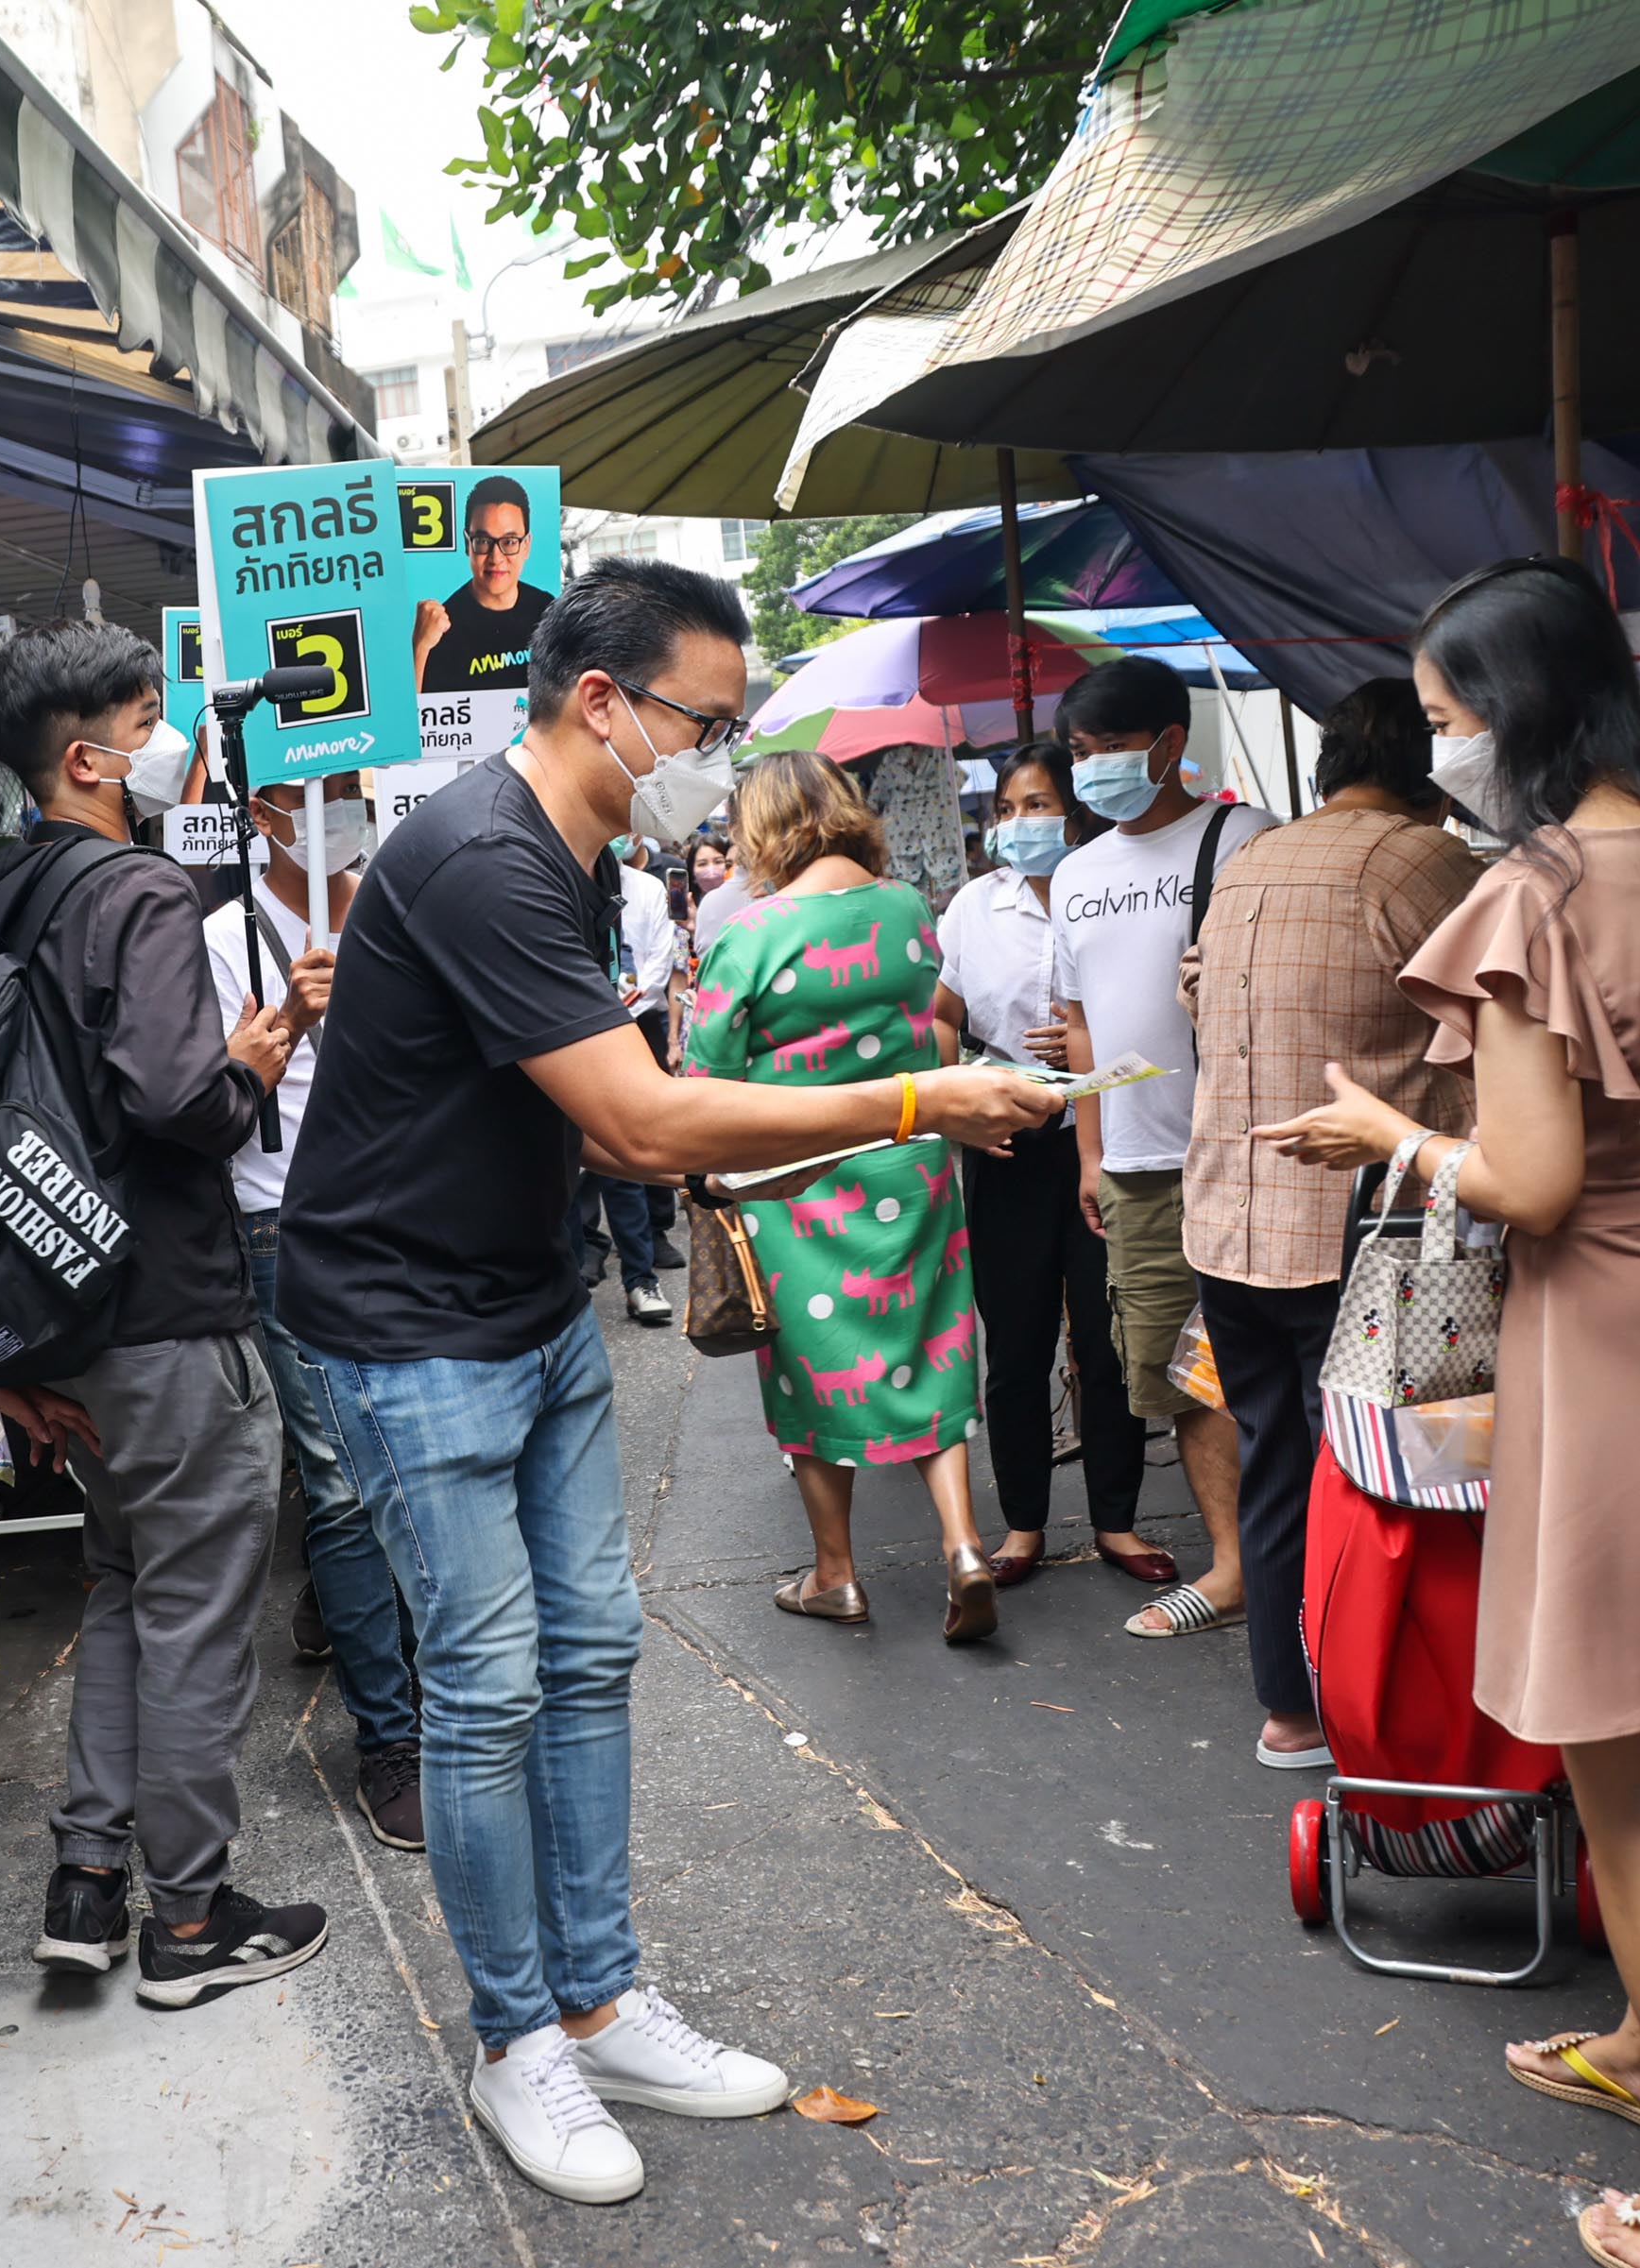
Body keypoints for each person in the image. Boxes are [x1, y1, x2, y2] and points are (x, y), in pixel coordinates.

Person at [278, 559, 1057, 2204]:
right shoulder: (489, 854)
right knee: (486, 1689)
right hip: (407, 1333)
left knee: (594, 1650)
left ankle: (604, 1995)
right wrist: (911, 1100)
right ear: (603, 703)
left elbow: (606, 1111)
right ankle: (519, 2046)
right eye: (707, 718)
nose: (721, 749)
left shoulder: (574, 848)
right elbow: (640, 1121)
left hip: (526, 1300)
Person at [1252, 555, 1640, 2268]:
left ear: (1517, 715)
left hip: (1620, 1346)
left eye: (1450, 721)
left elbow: (1529, 1183)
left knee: (1633, 1797)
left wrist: (1385, 1138)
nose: (1442, 748)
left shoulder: (1537, 891)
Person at [0, 619, 332, 2011]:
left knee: (121, 1588)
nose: (171, 736)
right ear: (93, 758)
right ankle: (189, 1918)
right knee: (198, 1612)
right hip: (169, 1309)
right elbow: (179, 1103)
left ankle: (86, 1883)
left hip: (66, 1331)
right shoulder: (138, 893)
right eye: (151, 715)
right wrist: (256, 1056)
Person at [1181, 682, 1483, 1771]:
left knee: (1276, 1459)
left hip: (1228, 1219)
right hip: (1365, 1233)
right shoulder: (1419, 861)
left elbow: (1202, 1004)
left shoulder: (1249, 859)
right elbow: (1503, 1028)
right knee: (1380, 1480)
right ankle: (1379, 1708)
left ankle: (1291, 1709)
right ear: (1425, 765)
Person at [689, 751, 996, 1642]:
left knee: (812, 1369)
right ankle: (963, 1543)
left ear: (760, 825)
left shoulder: (750, 933)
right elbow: (932, 1021)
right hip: (914, 1162)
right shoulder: (905, 906)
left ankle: (835, 1574)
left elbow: (704, 1073)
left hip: (797, 1178)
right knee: (934, 1345)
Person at [203, 777, 424, 1854]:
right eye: (310, 793)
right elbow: (204, 1098)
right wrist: (291, 1015)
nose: (336, 811)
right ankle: (390, 1738)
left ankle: (448, 1699)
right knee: (340, 1486)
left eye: (350, 790)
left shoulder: (397, 906)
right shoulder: (216, 937)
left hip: (406, 1210)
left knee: (423, 1457)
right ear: (264, 811)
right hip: (282, 1225)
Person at [1047, 657, 1275, 1620]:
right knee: (1180, 1379)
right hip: (1138, 1167)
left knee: (1267, 1369)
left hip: (1252, 1155)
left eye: (1103, 750)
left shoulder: (1246, 840)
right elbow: (1083, 1025)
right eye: (1077, 753)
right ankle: (1232, 1565)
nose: (1088, 769)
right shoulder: (1074, 872)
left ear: (1170, 744)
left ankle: (1294, 1553)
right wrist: (1092, 1153)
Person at [927, 743, 1149, 1588]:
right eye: (1011, 809)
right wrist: (958, 1113)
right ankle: (1022, 1527)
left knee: (1107, 1338)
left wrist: (1092, 1041)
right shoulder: (973, 908)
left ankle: (1117, 1523)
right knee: (1016, 1343)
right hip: (1006, 1136)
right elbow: (943, 1019)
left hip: (1111, 1129)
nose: (1023, 823)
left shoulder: (1110, 885)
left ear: (1077, 808)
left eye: (1040, 804)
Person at [572, 835, 677, 1325]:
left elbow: (656, 963)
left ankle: (640, 1278)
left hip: (631, 1024)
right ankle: (573, 1277)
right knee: (567, 1162)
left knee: (622, 1158)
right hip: (570, 1036)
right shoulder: (555, 881)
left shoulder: (644, 889)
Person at [415, 474, 555, 694]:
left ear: (526, 545)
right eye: (483, 541)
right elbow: (413, 721)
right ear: (466, 544)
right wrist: (420, 647)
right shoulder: (439, 629)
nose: (496, 557)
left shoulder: (549, 612)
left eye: (509, 542)